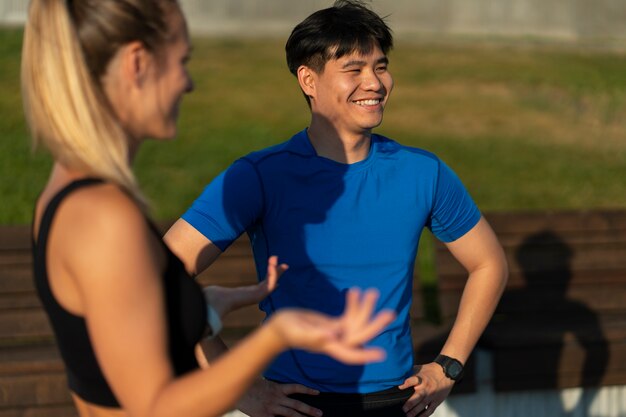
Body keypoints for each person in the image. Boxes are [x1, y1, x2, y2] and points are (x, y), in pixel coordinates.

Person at [22, 1, 397, 417]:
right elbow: (156, 408)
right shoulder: (105, 217)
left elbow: (113, 345)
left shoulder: (68, 190)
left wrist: (200, 308)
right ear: (137, 64)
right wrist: (275, 339)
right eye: (182, 61)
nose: (188, 83)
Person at [165, 1, 508, 416]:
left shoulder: (423, 172)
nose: (375, 83)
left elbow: (488, 264)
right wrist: (240, 390)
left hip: (395, 404)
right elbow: (163, 277)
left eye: (381, 67)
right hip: (298, 406)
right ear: (308, 80)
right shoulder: (259, 176)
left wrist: (447, 366)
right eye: (354, 69)